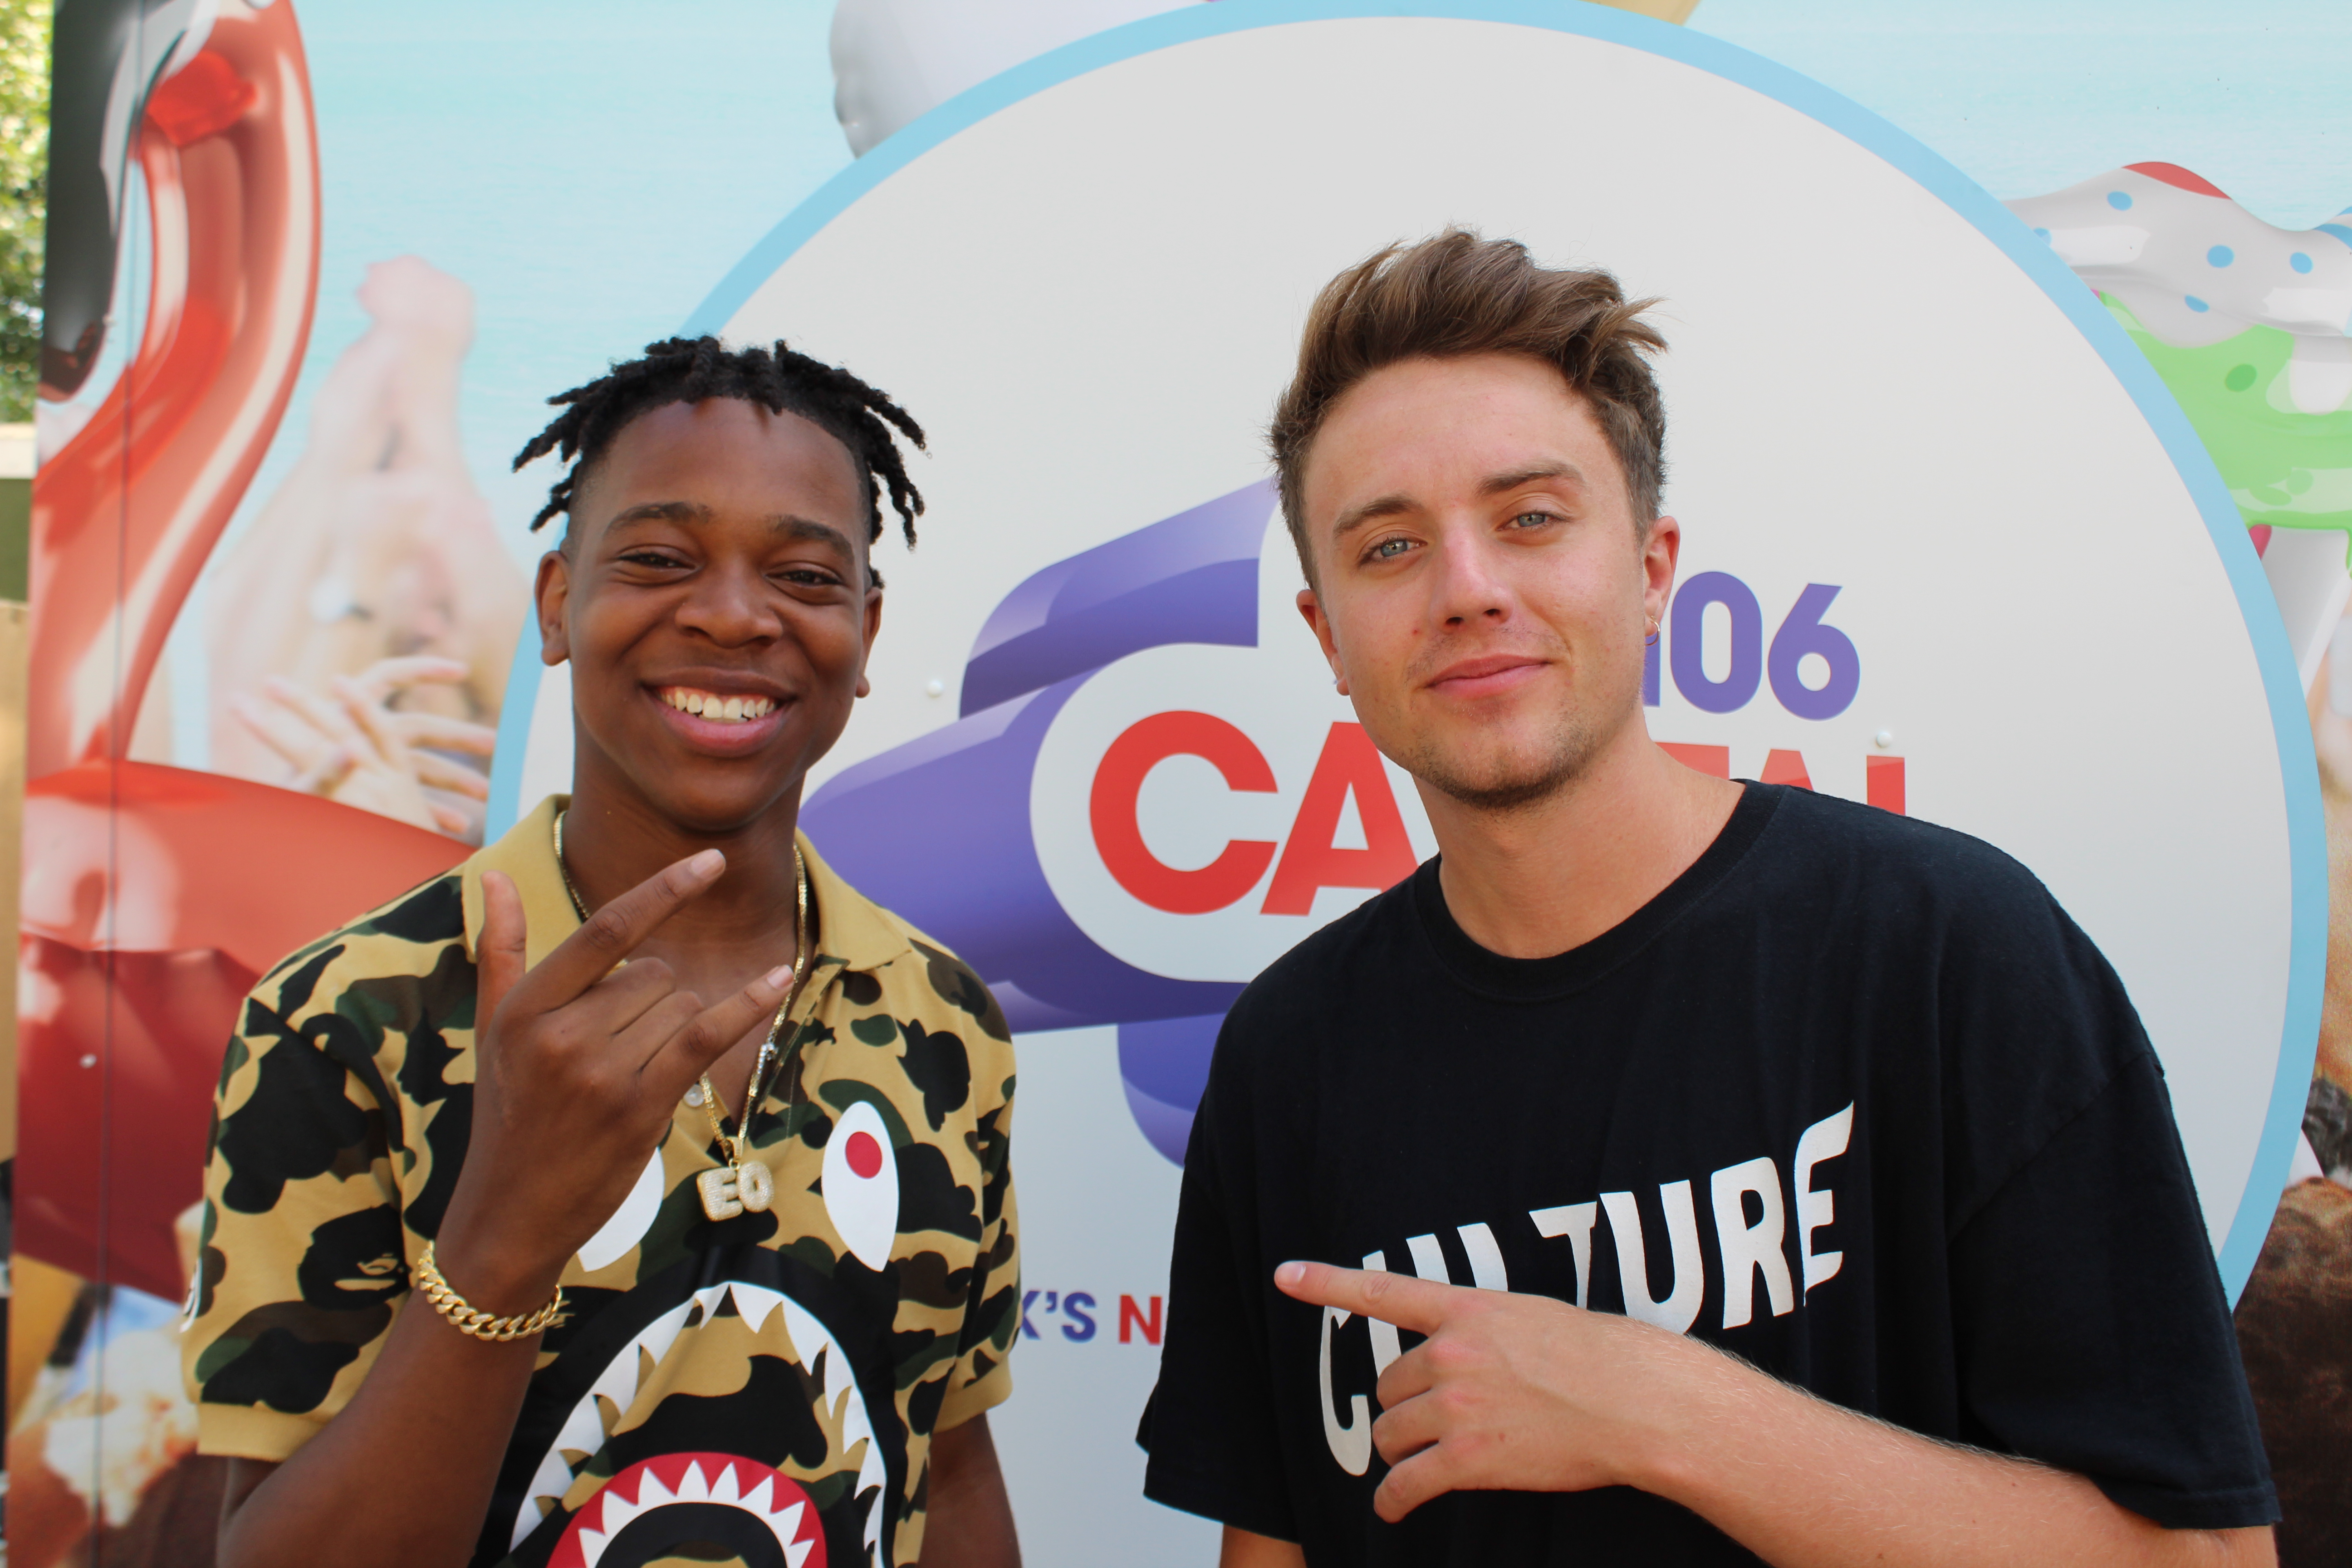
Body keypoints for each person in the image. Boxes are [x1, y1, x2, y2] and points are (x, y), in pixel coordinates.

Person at [1135, 231, 2280, 1568]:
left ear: (1655, 567)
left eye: (1531, 519)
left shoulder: (1948, 955)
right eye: (1389, 548)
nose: (1469, 589)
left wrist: (1663, 1409)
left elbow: (2204, 1559)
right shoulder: (1291, 1055)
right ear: (1330, 636)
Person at [181, 338, 1024, 1568]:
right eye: (658, 560)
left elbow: (946, 1468)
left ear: (864, 627)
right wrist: (507, 1232)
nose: (734, 614)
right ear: (556, 603)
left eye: (801, 573)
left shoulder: (944, 1021)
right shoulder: (347, 1016)